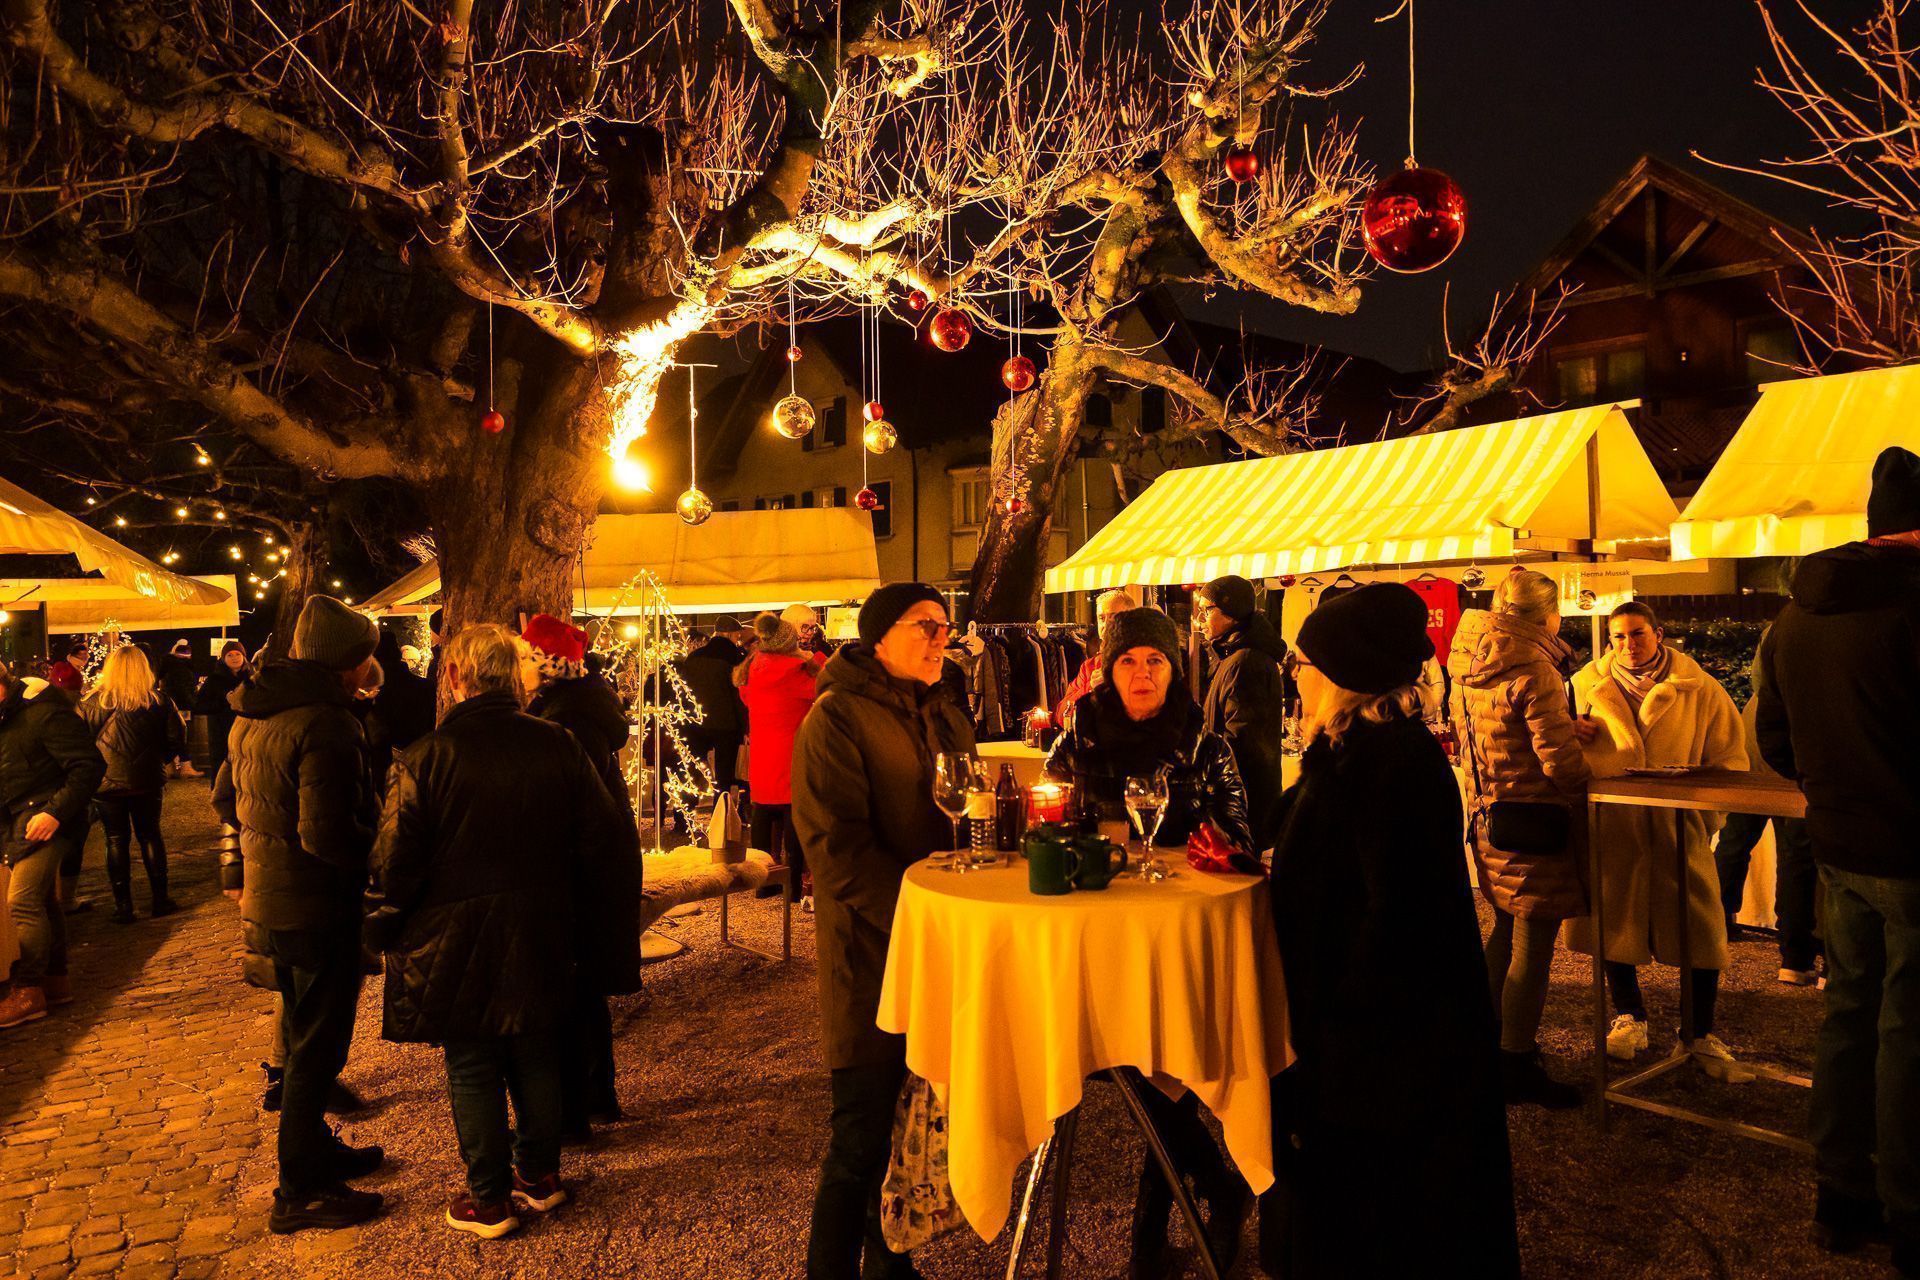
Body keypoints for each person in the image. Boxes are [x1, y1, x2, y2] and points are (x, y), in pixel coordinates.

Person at [1264, 583, 1519, 1278]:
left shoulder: (1391, 762)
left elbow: (1400, 919)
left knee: (1389, 1228)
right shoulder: (1357, 750)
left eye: (1304, 659)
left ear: (1344, 671)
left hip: (1384, 1061)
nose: (1294, 672)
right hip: (1368, 1048)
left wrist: (1339, 1029)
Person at [365, 623, 640, 1240]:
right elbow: (600, 836)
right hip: (543, 925)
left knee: (473, 1064)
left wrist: (377, 930)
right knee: (536, 1048)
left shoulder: (424, 757)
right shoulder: (558, 745)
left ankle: (489, 1198)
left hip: (454, 935)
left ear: (456, 676)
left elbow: (393, 863)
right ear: (515, 676)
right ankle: (539, 1177)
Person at [1043, 606, 1254, 1276]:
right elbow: (1050, 819)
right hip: (1096, 934)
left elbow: (1239, 840)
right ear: (1108, 668)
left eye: (1154, 660)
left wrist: (1201, 849)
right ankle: (1216, 1192)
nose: (1140, 673)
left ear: (1173, 667)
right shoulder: (1077, 738)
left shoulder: (1204, 745)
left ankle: (1152, 1238)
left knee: (1164, 1070)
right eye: (1128, 660)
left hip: (1176, 937)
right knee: (1130, 1069)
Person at [1755, 445, 1920, 1271]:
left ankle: (1839, 1192)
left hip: (1838, 843)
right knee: (1908, 1027)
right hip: (1913, 851)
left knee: (1850, 1013)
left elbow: (1774, 742)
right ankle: (1910, 1206)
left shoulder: (1796, 614)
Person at [792, 583, 975, 1280]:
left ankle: (888, 1266)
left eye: (943, 626)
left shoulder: (945, 711)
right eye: (923, 626)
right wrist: (923, 913)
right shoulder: (836, 718)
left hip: (941, 948)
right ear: (878, 637)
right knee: (861, 1136)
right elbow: (835, 850)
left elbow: (971, 804)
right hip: (872, 955)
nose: (939, 638)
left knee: (911, 1128)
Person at [212, 595, 385, 1234]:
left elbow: (226, 799)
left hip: (269, 901)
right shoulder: (326, 723)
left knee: (305, 1037)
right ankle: (298, 1190)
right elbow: (327, 835)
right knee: (316, 1049)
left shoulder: (253, 713)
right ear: (349, 661)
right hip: (315, 908)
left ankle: (313, 1152)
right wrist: (381, 848)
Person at [1566, 601, 1748, 1076]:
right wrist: (1572, 731)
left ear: (1659, 633)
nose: (1628, 645)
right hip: (1614, 826)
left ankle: (1698, 1031)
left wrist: (1704, 816)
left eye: (1637, 634)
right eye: (1618, 637)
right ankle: (1629, 1016)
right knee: (1614, 924)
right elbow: (1554, 741)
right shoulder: (1584, 686)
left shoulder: (1699, 688)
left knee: (1699, 928)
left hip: (1676, 824)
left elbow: (1730, 755)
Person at [1447, 569, 1591, 1109]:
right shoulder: (1536, 667)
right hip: (1537, 822)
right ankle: (1515, 1058)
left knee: (1504, 928)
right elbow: (1558, 763)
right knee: (1533, 945)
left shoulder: (1467, 659)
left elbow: (1490, 732)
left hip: (1490, 817)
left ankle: (1482, 1038)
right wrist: (1588, 782)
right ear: (1549, 615)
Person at [520, 614, 638, 1140]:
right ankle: (595, 1097)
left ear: (546, 668)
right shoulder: (576, 707)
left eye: (525, 658)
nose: (519, 668)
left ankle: (586, 1102)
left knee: (577, 987)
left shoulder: (568, 719)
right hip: (597, 866)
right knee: (582, 987)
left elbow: (580, 808)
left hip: (586, 871)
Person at [0, 662, 105, 1030]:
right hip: (19, 824)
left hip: (50, 822)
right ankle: (56, 981)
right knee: (44, 900)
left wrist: (54, 813)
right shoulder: (7, 717)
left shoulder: (44, 713)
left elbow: (89, 766)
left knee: (23, 900)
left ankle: (29, 989)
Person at [1713, 638, 1819, 984]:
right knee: (1796, 855)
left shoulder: (1778, 629)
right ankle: (1795, 956)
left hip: (1756, 729)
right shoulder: (1825, 625)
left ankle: (1715, 925)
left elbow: (1760, 679)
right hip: (1796, 733)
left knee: (1735, 839)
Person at [79, 645, 185, 924]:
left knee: (115, 839)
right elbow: (176, 737)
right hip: (147, 781)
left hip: (105, 784)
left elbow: (79, 744)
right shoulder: (159, 701)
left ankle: (123, 906)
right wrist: (158, 759)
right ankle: (160, 900)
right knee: (150, 835)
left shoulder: (90, 702)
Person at [1193, 574, 1287, 850]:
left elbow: (1243, 741)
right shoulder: (1232, 656)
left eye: (1207, 610)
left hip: (1243, 801)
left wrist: (1216, 787)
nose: (1201, 617)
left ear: (1231, 612)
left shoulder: (1246, 661)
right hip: (1238, 798)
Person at [736, 612, 820, 904]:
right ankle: (794, 888)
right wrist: (818, 658)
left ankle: (763, 883)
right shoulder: (796, 669)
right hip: (792, 754)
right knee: (793, 822)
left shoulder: (753, 666)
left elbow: (746, 697)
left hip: (762, 754)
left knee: (762, 816)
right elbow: (819, 690)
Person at [679, 617, 748, 799]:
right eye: (737, 635)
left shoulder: (694, 657)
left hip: (696, 722)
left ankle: (685, 813)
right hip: (726, 724)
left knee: (693, 770)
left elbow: (683, 690)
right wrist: (745, 727)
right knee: (724, 774)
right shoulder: (736, 658)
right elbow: (739, 696)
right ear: (731, 634)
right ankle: (721, 812)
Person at [1053, 587, 1137, 729]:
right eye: (1101, 618)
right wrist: (1090, 688)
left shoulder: (1148, 661)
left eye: (1114, 616)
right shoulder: (1091, 666)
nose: (1105, 625)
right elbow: (1061, 714)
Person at [195, 641, 252, 794]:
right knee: (221, 768)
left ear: (244, 656)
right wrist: (223, 702)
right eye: (230, 655)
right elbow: (199, 705)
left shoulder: (252, 677)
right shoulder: (214, 680)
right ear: (223, 658)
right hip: (221, 732)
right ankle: (221, 802)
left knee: (247, 767)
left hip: (247, 732)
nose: (234, 657)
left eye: (238, 654)